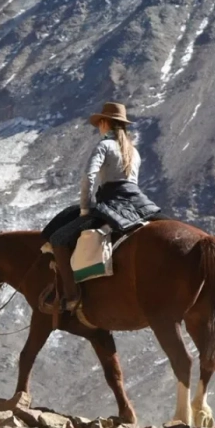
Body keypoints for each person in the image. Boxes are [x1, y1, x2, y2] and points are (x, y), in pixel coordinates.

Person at [40, 102, 160, 314]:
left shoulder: (104, 146)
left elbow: (88, 177)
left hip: (111, 204)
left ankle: (72, 296)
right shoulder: (134, 152)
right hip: (137, 204)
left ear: (104, 123)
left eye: (99, 124)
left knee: (58, 238)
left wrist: (85, 209)